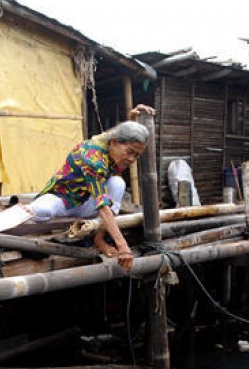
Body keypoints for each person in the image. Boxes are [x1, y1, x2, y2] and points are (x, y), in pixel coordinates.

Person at [25, 104, 155, 274]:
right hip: (62, 201)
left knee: (117, 183)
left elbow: (118, 132)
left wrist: (131, 118)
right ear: (115, 143)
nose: (131, 159)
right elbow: (103, 207)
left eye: (136, 155)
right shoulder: (93, 159)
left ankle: (98, 239)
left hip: (85, 202)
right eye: (129, 152)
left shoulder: (111, 140)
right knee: (37, 210)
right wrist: (122, 246)